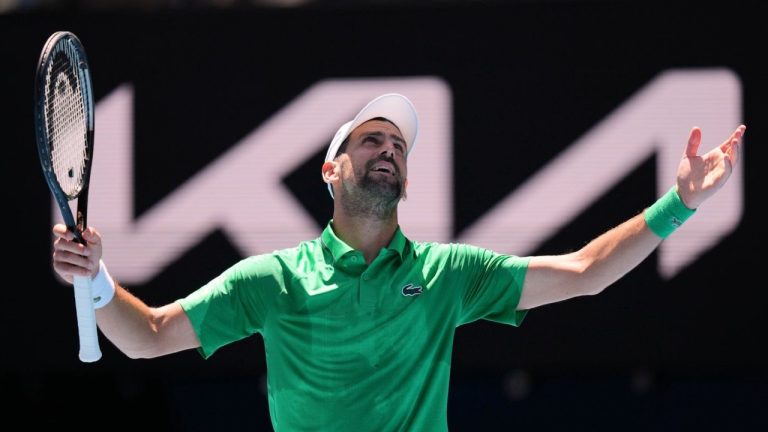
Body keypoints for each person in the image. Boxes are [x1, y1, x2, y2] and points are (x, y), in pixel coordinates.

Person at [51, 93, 745, 431]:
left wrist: (678, 206)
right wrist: (99, 279)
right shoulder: (272, 281)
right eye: (372, 139)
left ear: (406, 180)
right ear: (331, 169)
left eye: (399, 148)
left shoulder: (448, 274)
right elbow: (146, 337)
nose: (389, 150)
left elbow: (588, 271)